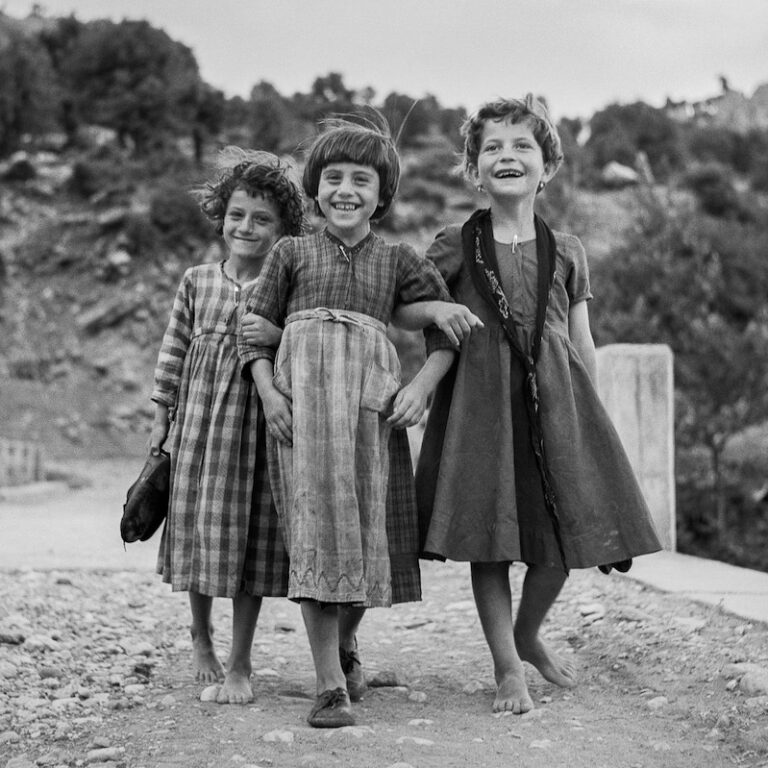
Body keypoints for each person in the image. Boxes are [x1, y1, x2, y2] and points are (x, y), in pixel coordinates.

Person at [399, 95, 661, 715]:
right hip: (481, 409)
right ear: (473, 169)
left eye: (523, 146)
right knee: (489, 538)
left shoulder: (566, 248)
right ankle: (506, 668)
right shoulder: (453, 243)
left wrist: (591, 420)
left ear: (548, 167)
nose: (507, 156)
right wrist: (437, 309)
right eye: (492, 147)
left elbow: (581, 340)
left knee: (567, 531)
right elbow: (403, 307)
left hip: (558, 405)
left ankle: (525, 635)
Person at [238, 112, 462, 728]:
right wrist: (270, 395)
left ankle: (343, 641)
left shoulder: (398, 260)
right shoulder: (290, 253)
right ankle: (329, 685)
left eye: (361, 180)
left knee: (371, 541)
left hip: (370, 419)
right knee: (314, 534)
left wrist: (420, 386)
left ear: (382, 194)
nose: (345, 190)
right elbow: (252, 336)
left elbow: (445, 337)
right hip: (303, 418)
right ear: (315, 188)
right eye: (332, 177)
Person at [149, 148, 304, 705]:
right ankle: (200, 636)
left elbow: (299, 350)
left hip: (258, 429)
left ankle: (241, 661)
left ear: (284, 228)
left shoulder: (286, 285)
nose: (247, 227)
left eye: (263, 219)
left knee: (249, 543)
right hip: (198, 427)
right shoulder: (197, 281)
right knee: (198, 531)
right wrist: (161, 418)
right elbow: (172, 352)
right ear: (221, 216)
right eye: (237, 215)